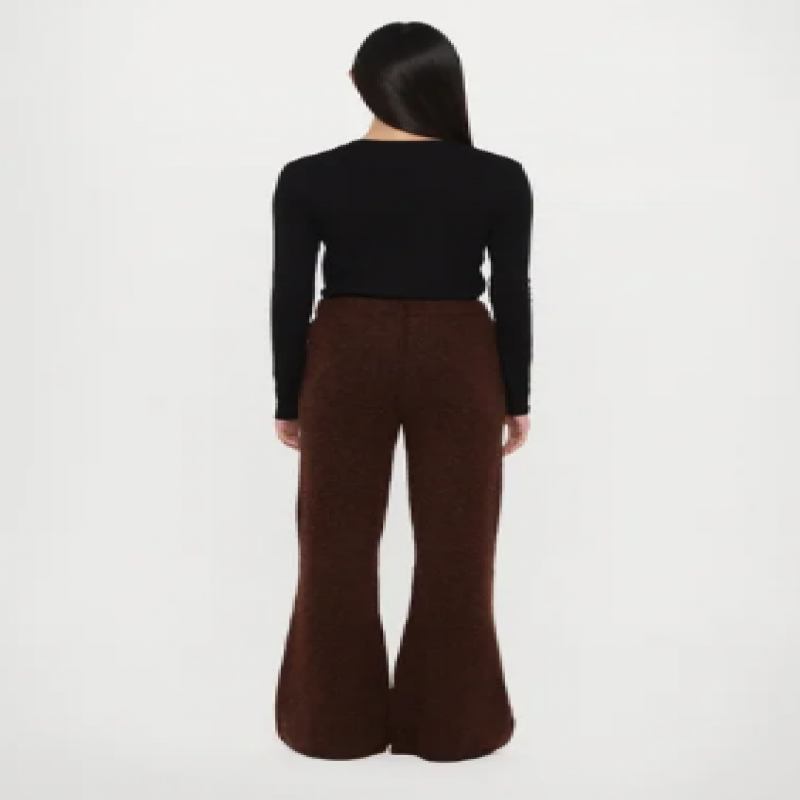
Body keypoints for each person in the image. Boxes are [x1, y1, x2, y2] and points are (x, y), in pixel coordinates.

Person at [270, 21, 533, 762]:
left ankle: (331, 729)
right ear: (444, 85)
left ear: (359, 83)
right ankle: (454, 730)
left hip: (345, 355)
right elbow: (511, 293)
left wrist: (289, 397)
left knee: (333, 548)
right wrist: (515, 395)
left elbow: (290, 294)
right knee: (459, 549)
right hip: (461, 357)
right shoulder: (499, 177)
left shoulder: (308, 177)